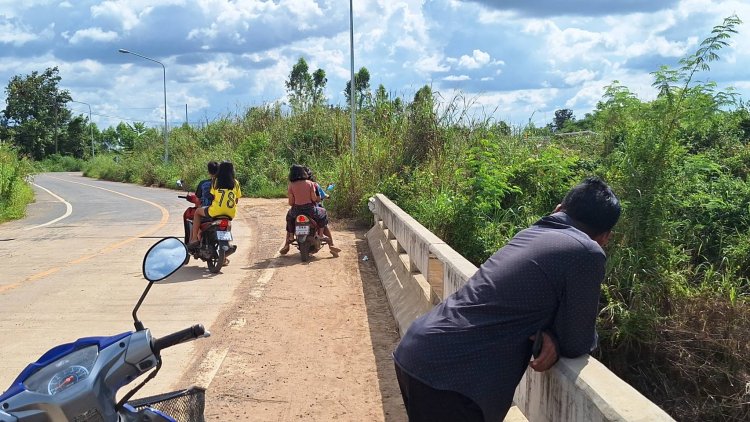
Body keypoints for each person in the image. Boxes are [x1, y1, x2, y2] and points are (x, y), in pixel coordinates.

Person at [392, 177, 621, 422]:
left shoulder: (530, 233)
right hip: (454, 380)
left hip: (418, 351)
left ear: (558, 209)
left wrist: (549, 330)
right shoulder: (587, 252)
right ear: (605, 237)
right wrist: (553, 334)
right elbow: (578, 341)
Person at [279, 164, 341, 256]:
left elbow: (291, 203)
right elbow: (314, 199)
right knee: (323, 212)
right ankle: (320, 235)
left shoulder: (291, 185)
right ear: (303, 173)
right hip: (310, 210)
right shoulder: (311, 184)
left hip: (296, 211)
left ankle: (291, 236)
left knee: (289, 217)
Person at [188, 161, 242, 248]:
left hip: (215, 211)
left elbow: (213, 197)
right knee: (228, 224)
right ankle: (227, 243)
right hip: (230, 213)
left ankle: (194, 238)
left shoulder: (215, 181)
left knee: (197, 212)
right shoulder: (236, 183)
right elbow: (236, 201)